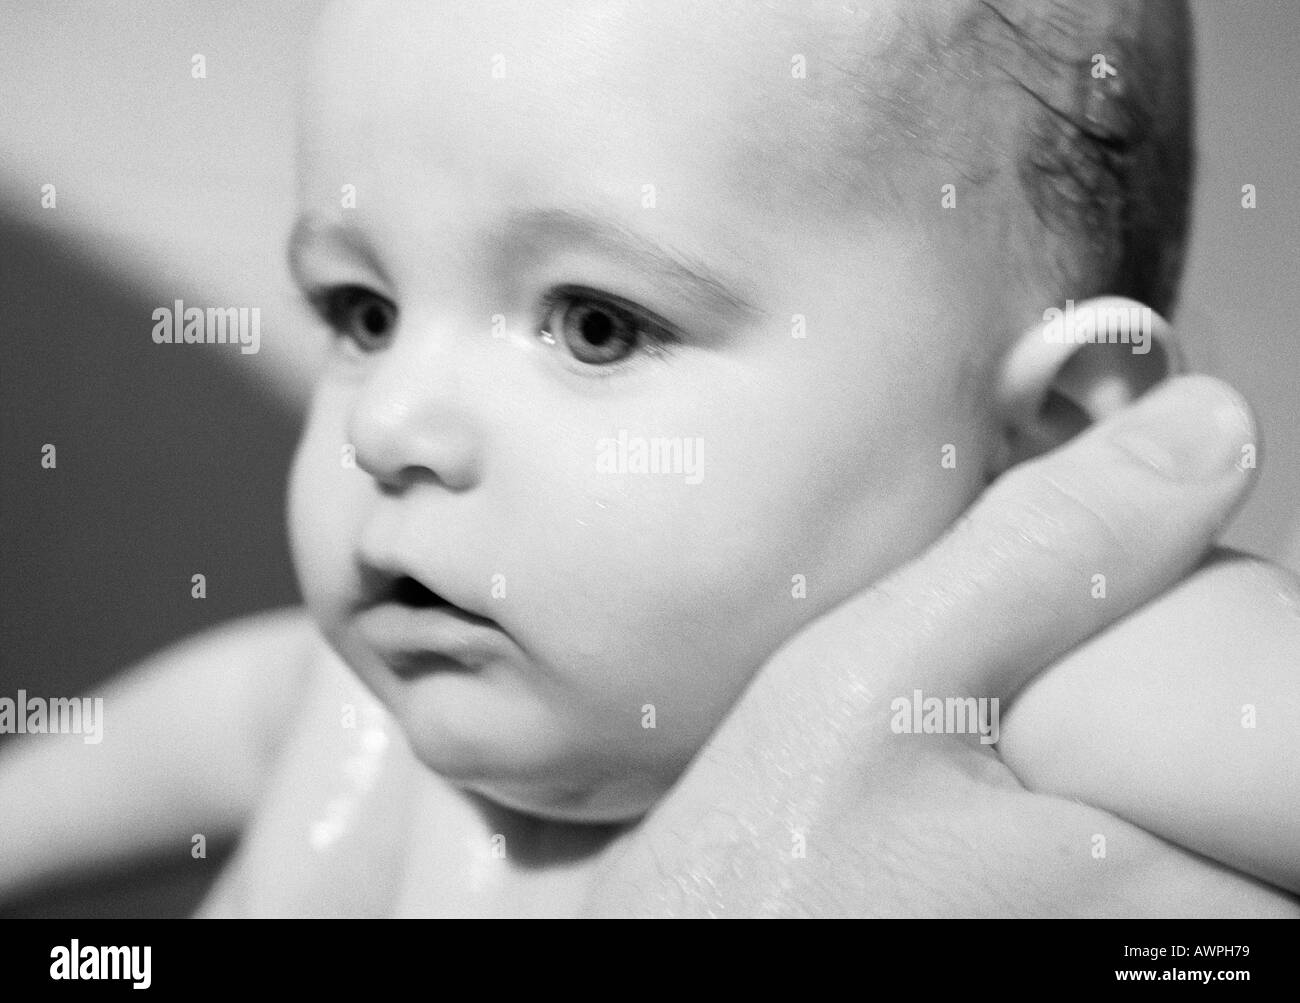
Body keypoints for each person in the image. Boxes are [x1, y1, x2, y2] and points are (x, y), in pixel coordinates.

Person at [1, 0, 1296, 916]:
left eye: (595, 325)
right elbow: (205, 721)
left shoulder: (1046, 692)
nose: (387, 424)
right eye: (365, 313)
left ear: (1048, 431)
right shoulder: (368, 714)